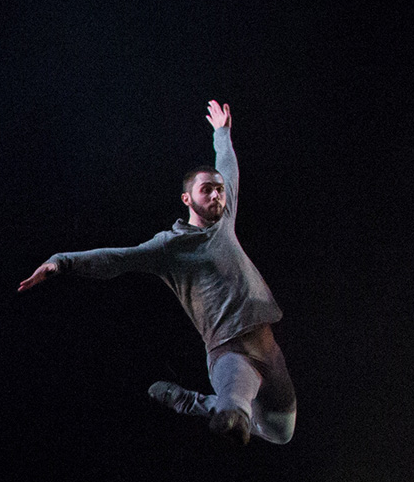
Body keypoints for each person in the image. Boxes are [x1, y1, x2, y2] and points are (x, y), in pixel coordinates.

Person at [18, 101, 294, 445]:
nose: (216, 194)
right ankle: (213, 407)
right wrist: (62, 260)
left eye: (219, 190)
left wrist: (222, 133)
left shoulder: (224, 220)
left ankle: (197, 403)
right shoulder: (169, 247)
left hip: (268, 348)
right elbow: (119, 259)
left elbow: (228, 170)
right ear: (187, 199)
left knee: (280, 434)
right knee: (234, 418)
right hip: (230, 353)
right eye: (206, 189)